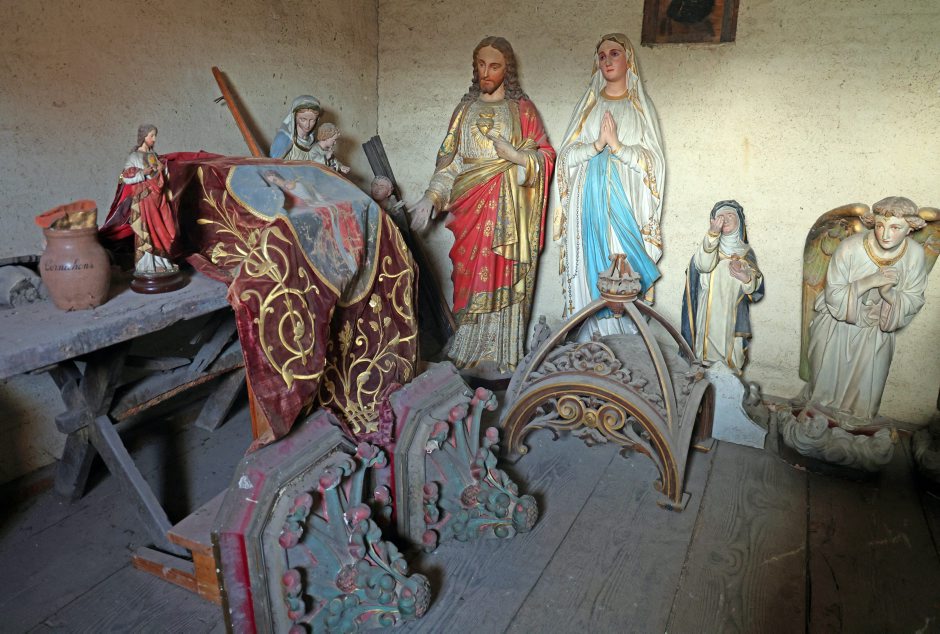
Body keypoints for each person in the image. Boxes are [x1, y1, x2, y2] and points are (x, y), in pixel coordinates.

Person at [410, 36, 555, 374]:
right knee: (469, 279)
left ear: (508, 69)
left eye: (495, 66)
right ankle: (468, 347)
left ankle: (502, 352)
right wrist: (430, 198)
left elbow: (546, 156)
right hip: (471, 210)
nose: (486, 72)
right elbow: (450, 164)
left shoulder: (522, 110)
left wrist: (516, 156)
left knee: (504, 272)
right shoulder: (464, 111)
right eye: (481, 64)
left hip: (509, 213)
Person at [554, 33, 665, 336]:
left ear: (628, 60)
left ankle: (621, 340)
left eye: (614, 53)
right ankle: (589, 339)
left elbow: (653, 163)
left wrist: (617, 146)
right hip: (587, 203)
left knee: (620, 268)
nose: (607, 61)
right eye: (601, 56)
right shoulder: (589, 106)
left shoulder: (639, 109)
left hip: (624, 205)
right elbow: (566, 157)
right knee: (589, 268)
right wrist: (595, 146)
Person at [803, 196, 928, 427]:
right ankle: (818, 423)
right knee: (825, 389)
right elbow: (833, 293)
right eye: (880, 225)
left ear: (910, 229)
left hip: (876, 330)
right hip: (837, 327)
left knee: (865, 394)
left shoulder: (914, 255)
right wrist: (870, 281)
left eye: (895, 228)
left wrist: (889, 295)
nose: (885, 234)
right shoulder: (850, 247)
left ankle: (856, 427)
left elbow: (914, 298)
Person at [680, 200, 764, 373]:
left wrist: (745, 278)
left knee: (730, 355)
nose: (725, 219)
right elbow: (703, 265)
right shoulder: (708, 246)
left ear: (739, 222)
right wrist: (712, 235)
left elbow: (754, 286)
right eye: (720, 216)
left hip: (732, 312)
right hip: (708, 310)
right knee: (705, 353)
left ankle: (728, 375)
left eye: (730, 215)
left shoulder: (746, 252)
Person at [100, 124, 179, 276]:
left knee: (162, 227)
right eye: (152, 136)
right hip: (145, 198)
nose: (154, 139)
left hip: (158, 197)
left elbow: (160, 175)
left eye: (155, 136)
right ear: (144, 137)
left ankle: (163, 261)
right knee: (148, 229)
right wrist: (143, 173)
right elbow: (125, 177)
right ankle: (149, 264)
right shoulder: (134, 157)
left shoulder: (153, 155)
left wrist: (162, 170)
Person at [270, 95, 322, 160]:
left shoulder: (312, 141)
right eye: (303, 119)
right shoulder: (283, 139)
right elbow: (274, 163)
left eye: (312, 120)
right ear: (294, 117)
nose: (308, 125)